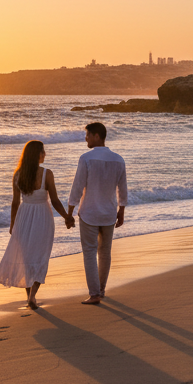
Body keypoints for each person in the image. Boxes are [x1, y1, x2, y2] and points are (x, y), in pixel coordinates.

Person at [0, 140, 73, 309]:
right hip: (42, 218)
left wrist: (12, 224)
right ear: (37, 155)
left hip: (23, 217)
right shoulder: (47, 174)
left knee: (26, 258)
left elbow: (15, 203)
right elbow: (55, 201)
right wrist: (67, 216)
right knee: (40, 257)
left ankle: (29, 297)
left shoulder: (17, 175)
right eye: (42, 152)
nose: (44, 154)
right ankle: (32, 296)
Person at [68, 122, 127, 305]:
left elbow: (78, 186)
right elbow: (122, 189)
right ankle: (101, 290)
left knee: (89, 252)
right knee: (105, 253)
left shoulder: (86, 158)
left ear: (96, 136)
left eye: (87, 135)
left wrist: (70, 210)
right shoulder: (118, 159)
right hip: (109, 213)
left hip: (89, 213)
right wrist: (121, 210)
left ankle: (94, 294)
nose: (85, 138)